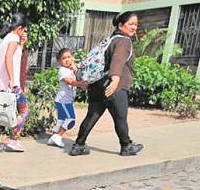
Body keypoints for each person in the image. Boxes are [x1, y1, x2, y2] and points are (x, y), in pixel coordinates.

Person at [70, 11, 144, 157]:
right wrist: (115, 79)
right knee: (120, 117)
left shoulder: (110, 39)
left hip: (97, 86)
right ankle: (126, 146)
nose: (134, 27)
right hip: (114, 87)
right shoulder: (123, 41)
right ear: (121, 25)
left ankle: (78, 145)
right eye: (131, 24)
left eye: (136, 24)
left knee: (92, 116)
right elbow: (118, 60)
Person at [0, 13, 29, 153]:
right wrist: (13, 80)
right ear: (19, 28)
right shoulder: (13, 38)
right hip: (10, 84)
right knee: (25, 111)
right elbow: (8, 58)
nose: (24, 32)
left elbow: (15, 56)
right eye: (24, 30)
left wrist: (22, 44)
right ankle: (13, 140)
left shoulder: (6, 38)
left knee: (1, 113)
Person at [47, 48, 87, 148]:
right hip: (63, 101)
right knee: (71, 120)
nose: (67, 60)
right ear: (60, 61)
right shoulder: (62, 70)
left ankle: (52, 138)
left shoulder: (71, 69)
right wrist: (80, 84)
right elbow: (69, 81)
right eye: (64, 58)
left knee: (61, 120)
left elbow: (78, 76)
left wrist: (75, 70)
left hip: (65, 100)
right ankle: (58, 136)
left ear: (73, 58)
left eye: (69, 57)